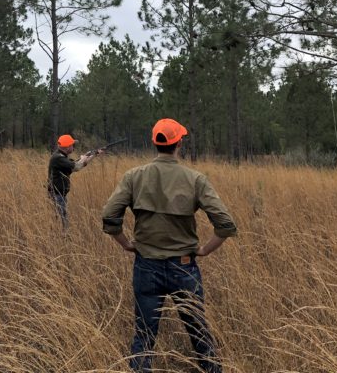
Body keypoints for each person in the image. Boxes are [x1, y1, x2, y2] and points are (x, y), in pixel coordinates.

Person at [101, 118, 237, 373]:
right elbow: (226, 224)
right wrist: (205, 249)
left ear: (155, 143)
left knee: (144, 336)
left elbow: (109, 216)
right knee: (199, 334)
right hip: (184, 268)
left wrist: (126, 244)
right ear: (179, 143)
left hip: (146, 266)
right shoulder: (195, 179)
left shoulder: (134, 177)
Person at [47, 134, 101, 230]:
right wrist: (84, 158)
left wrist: (93, 155)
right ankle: (63, 238)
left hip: (59, 194)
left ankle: (61, 236)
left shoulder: (61, 157)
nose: (73, 146)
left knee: (60, 219)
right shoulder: (58, 158)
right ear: (67, 147)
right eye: (72, 145)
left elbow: (77, 166)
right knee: (61, 220)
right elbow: (76, 166)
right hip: (57, 195)